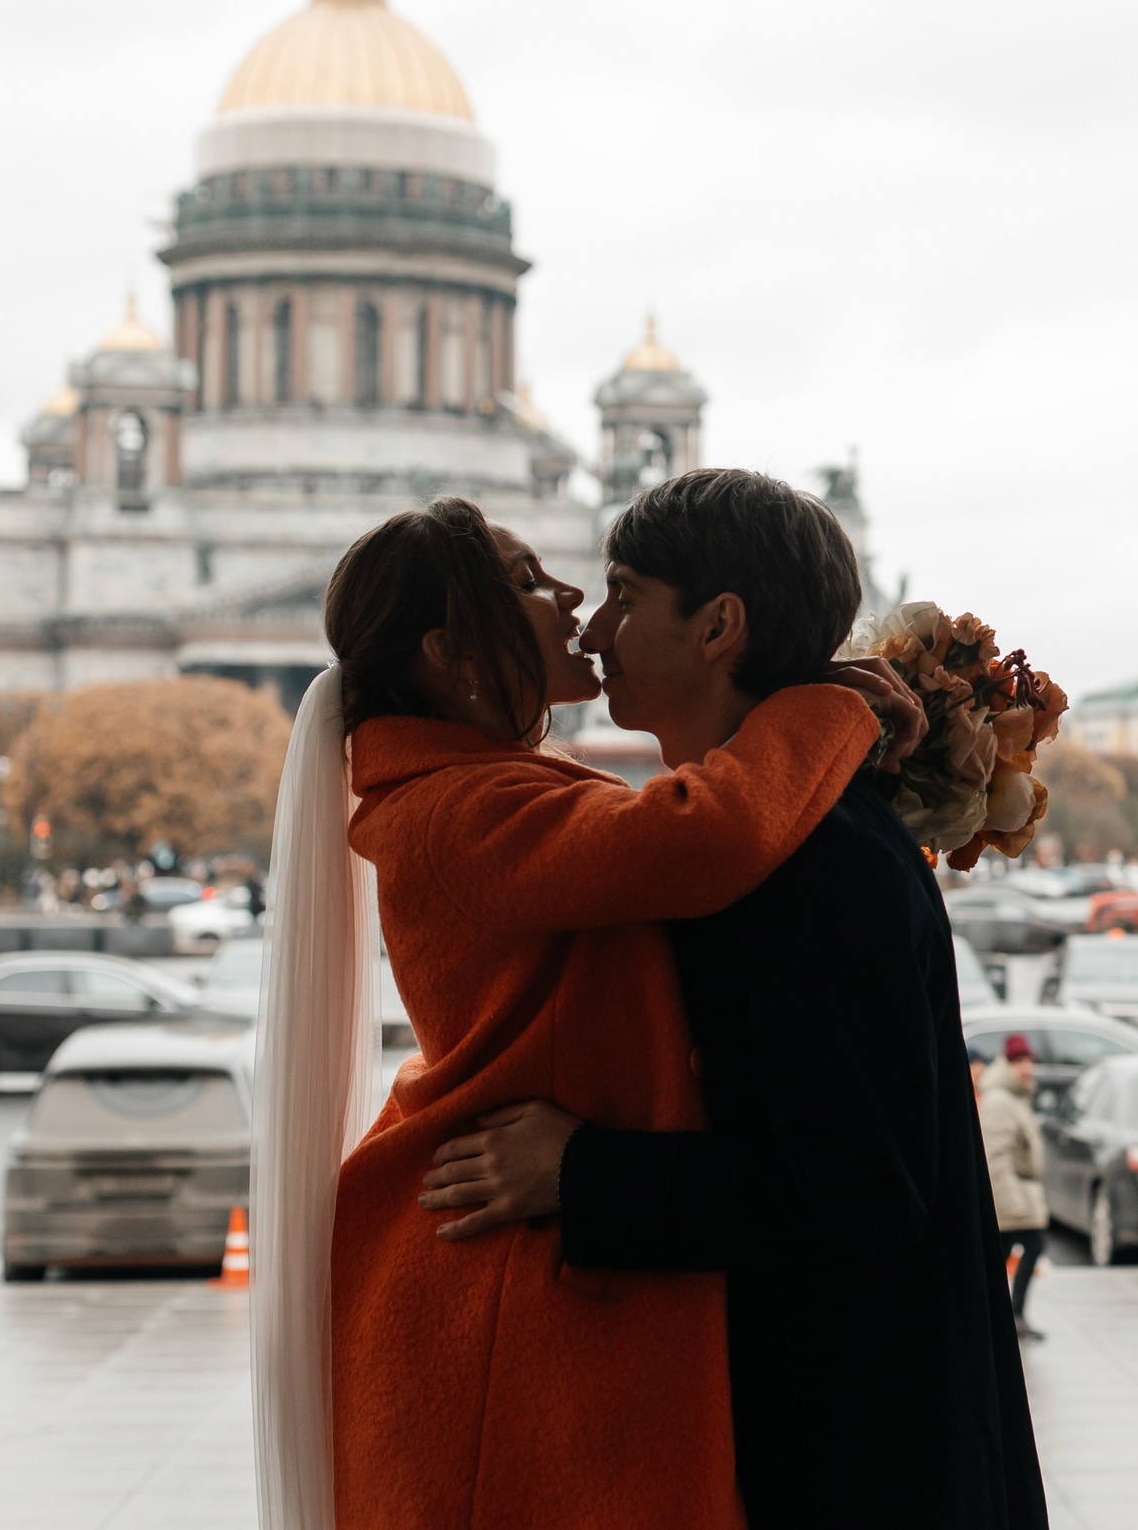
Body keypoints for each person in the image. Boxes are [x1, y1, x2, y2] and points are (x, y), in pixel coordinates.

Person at [249, 494, 923, 1530]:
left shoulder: (488, 784)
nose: (568, 598)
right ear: (450, 653)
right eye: (527, 582)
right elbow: (701, 836)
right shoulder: (455, 809)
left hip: (539, 1272)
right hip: (507, 1310)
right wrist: (829, 709)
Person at [418, 469, 1050, 1530]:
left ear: (718, 627)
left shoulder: (813, 861)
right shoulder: (761, 838)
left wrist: (578, 1172)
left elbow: (856, 1189)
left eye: (624, 596)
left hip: (851, 1466)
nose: (593, 629)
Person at [981, 1034, 1050, 1340]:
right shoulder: (1000, 1101)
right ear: (1007, 1064)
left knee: (1002, 1253)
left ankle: (1002, 1316)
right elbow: (996, 1158)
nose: (1027, 1068)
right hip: (1011, 1195)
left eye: (1029, 1061)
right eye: (1020, 1061)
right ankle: (1012, 1314)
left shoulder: (1016, 1096)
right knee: (1032, 1245)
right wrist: (1013, 1203)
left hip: (1019, 1192)